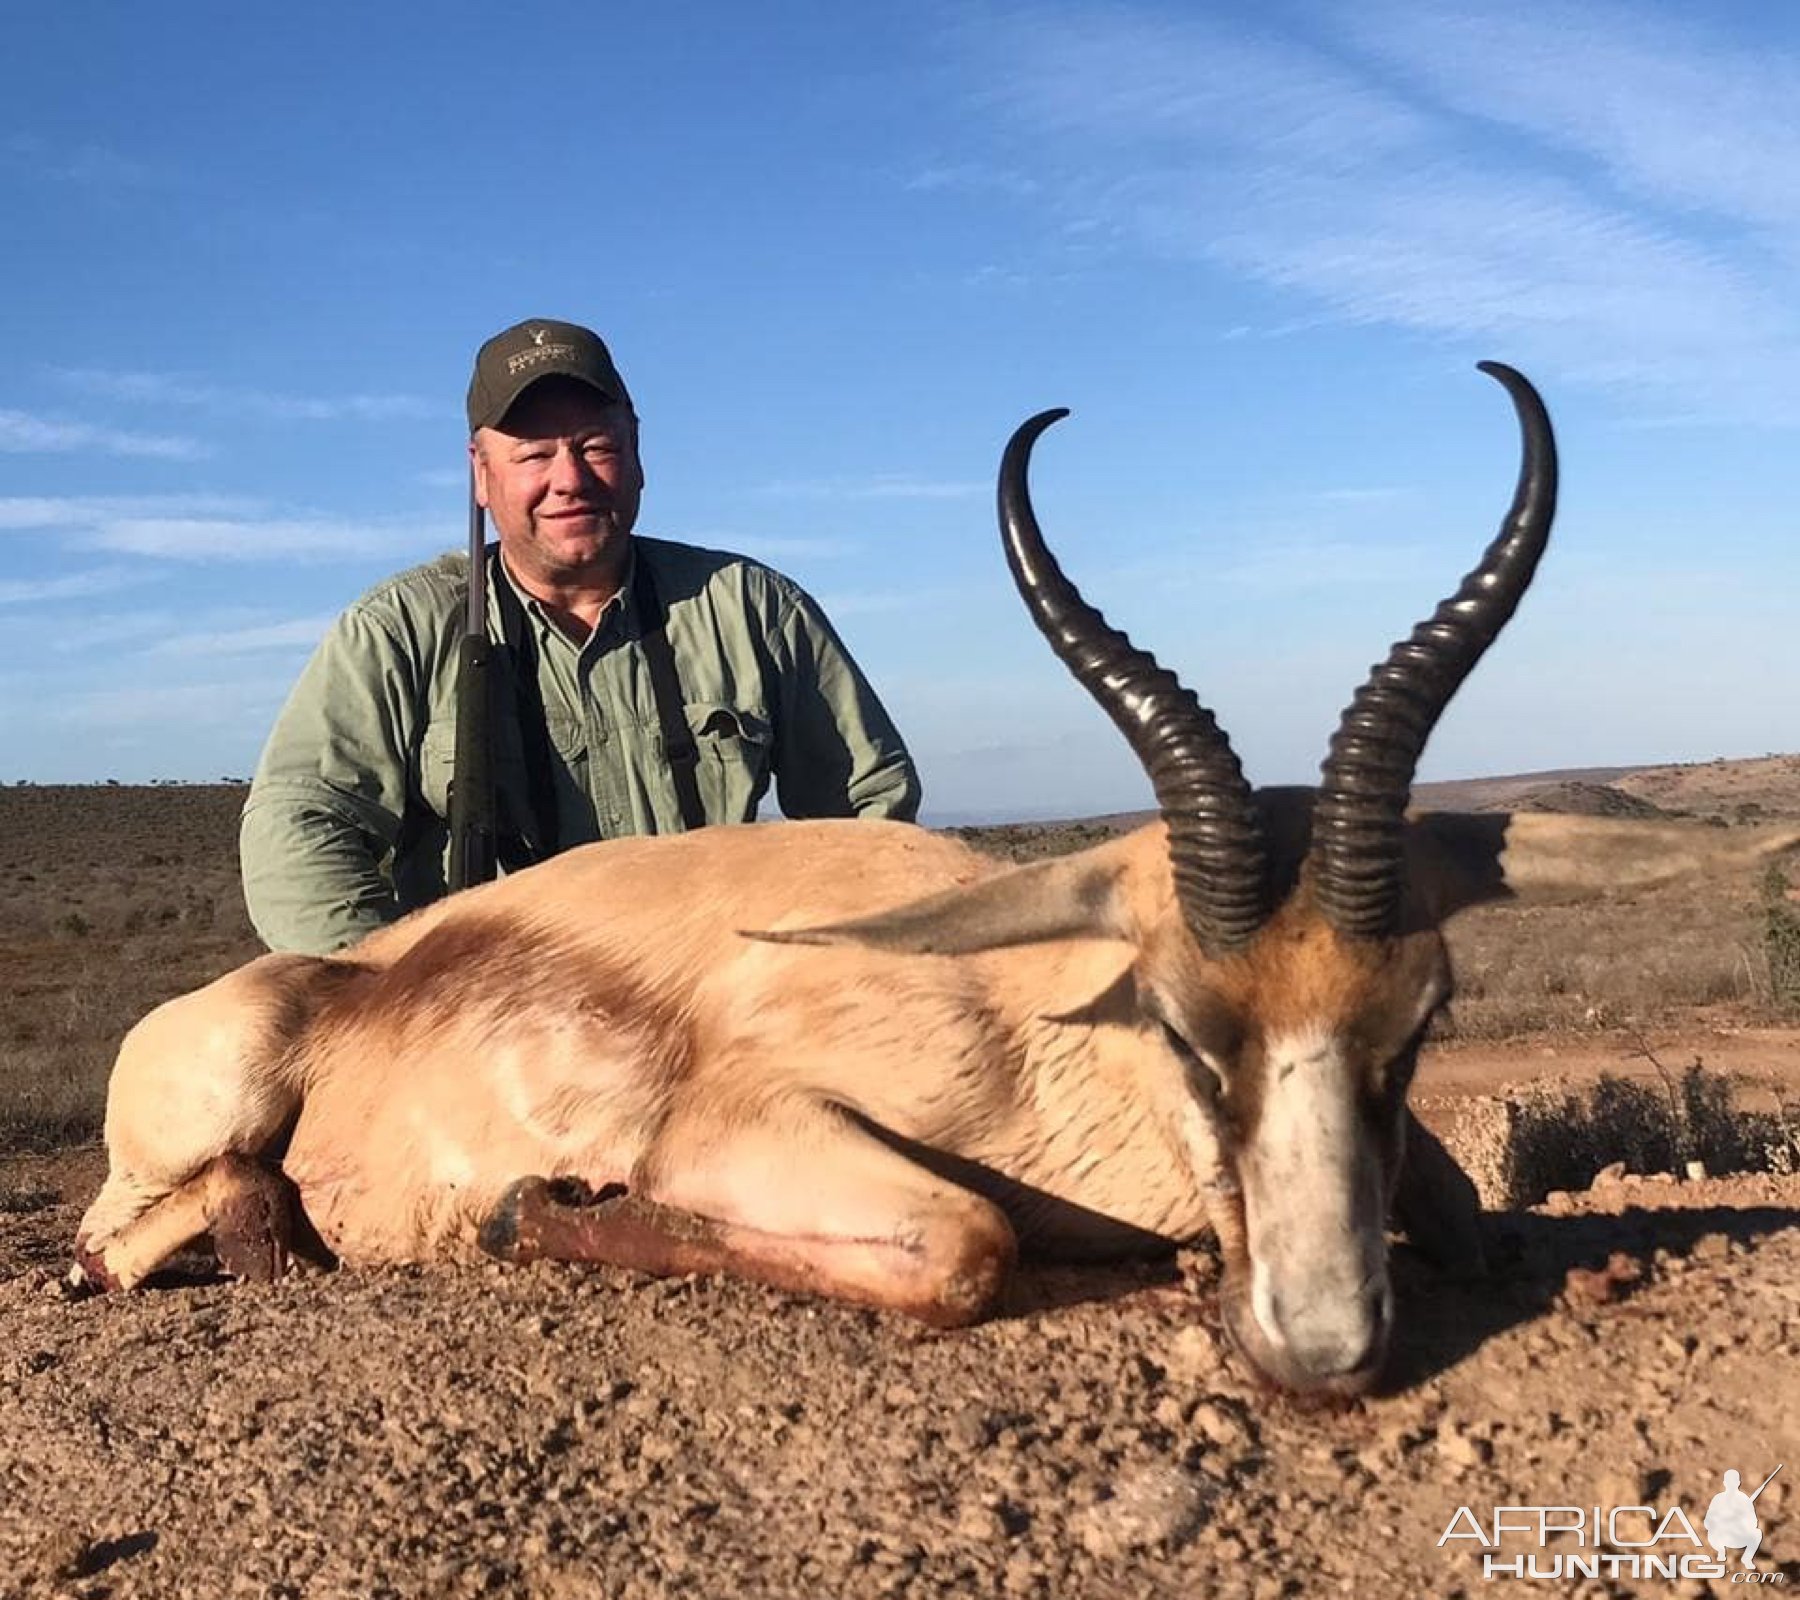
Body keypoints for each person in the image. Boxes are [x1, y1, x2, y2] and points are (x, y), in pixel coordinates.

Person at [241, 317, 921, 955]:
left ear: (636, 453)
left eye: (595, 447)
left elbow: (871, 822)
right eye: (533, 454)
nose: (569, 480)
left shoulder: (755, 609)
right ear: (481, 473)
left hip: (710, 1016)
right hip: (495, 1034)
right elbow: (296, 828)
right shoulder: (396, 631)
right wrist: (398, 996)